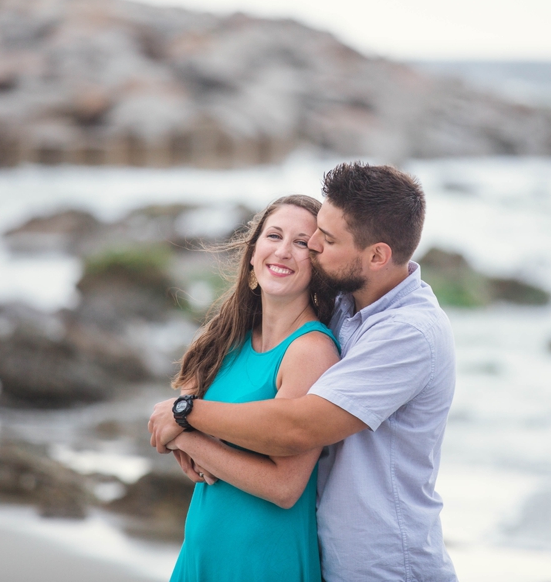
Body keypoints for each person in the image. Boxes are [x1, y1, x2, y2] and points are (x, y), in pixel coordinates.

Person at [149, 163, 458, 582]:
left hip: (384, 567)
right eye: (275, 236)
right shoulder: (349, 309)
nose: (310, 246)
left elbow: (296, 428)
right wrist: (189, 427)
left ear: (377, 256)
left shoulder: (408, 334)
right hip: (327, 555)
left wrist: (184, 416)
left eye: (325, 239)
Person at [162, 195, 342, 581]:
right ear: (252, 251)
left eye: (301, 243)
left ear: (318, 266)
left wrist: (189, 439)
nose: (283, 251)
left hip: (263, 561)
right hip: (201, 551)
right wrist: (183, 433)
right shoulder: (225, 337)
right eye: (274, 236)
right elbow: (174, 424)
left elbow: (284, 486)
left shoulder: (311, 351)